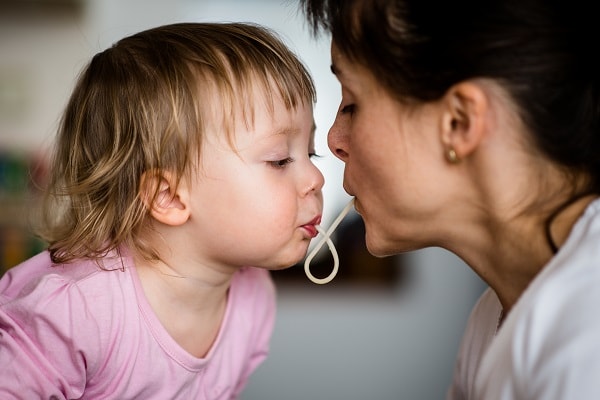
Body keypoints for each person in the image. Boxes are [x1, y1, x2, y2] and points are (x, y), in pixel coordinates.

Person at [0, 22, 324, 399]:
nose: (315, 177)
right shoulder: (77, 312)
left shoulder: (254, 301)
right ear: (168, 197)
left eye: (310, 152)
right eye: (281, 160)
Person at [299, 0, 600, 399]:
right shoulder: (493, 320)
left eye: (353, 102)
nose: (334, 142)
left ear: (459, 123)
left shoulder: (585, 333)